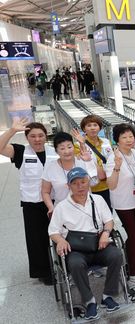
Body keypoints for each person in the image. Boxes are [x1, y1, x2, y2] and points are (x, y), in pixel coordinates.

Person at [48, 167, 122, 321]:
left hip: (98, 244)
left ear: (88, 182)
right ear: (68, 186)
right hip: (76, 249)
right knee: (75, 264)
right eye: (75, 183)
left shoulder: (98, 200)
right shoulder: (61, 207)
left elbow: (109, 221)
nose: (80, 186)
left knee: (116, 254)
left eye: (83, 182)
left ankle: (108, 295)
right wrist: (60, 240)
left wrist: (106, 234)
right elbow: (53, 231)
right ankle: (89, 301)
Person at [0, 119, 58, 284]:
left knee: (59, 235)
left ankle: (63, 266)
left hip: (55, 200)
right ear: (27, 138)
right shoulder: (20, 152)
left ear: (46, 136)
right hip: (32, 203)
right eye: (33, 136)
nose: (37, 139)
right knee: (37, 239)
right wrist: (12, 130)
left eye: (40, 135)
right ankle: (43, 272)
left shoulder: (54, 150)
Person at [105, 124, 135, 283]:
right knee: (134, 234)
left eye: (131, 136)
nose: (129, 140)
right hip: (123, 203)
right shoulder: (113, 158)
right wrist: (116, 167)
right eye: (124, 137)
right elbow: (111, 185)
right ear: (117, 140)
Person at [41, 132, 98, 213]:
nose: (67, 151)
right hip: (62, 210)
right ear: (56, 151)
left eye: (69, 147)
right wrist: (51, 207)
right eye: (62, 148)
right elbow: (45, 192)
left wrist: (89, 161)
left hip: (86, 208)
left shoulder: (82, 161)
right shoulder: (50, 167)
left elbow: (94, 182)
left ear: (74, 147)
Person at [73, 115, 114, 210]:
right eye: (89, 125)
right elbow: (81, 164)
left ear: (99, 127)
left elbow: (111, 161)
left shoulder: (106, 142)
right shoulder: (77, 145)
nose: (92, 128)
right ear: (84, 129)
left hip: (108, 185)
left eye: (95, 125)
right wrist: (82, 144)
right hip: (91, 187)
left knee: (108, 213)